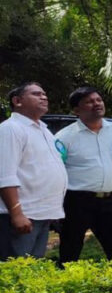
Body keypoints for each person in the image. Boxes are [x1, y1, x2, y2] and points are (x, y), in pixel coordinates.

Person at [55, 87, 112, 268]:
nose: (96, 104)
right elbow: (57, 171)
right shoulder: (65, 137)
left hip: (109, 201)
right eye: (89, 102)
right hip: (77, 202)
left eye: (98, 100)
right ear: (76, 110)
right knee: (70, 253)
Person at [0, 83, 66, 260]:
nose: (43, 97)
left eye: (44, 94)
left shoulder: (43, 130)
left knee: (32, 272)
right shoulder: (11, 129)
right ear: (17, 101)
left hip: (40, 215)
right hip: (21, 216)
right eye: (36, 94)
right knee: (15, 274)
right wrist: (17, 214)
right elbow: (5, 175)